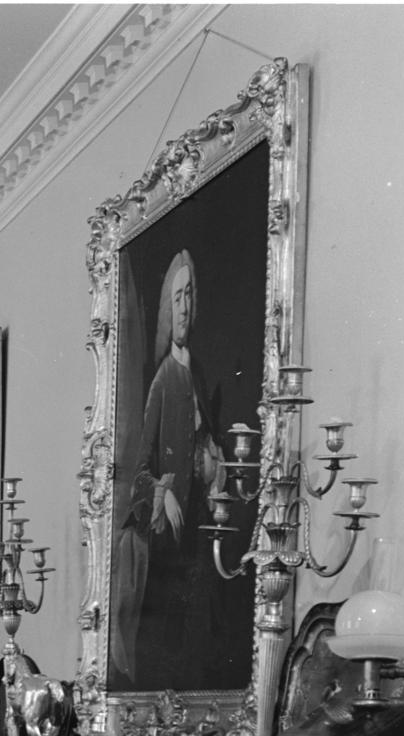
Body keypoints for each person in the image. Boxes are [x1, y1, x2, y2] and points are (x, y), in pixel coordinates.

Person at [115, 249, 242, 691]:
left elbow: (205, 440)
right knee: (168, 649)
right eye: (177, 297)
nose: (184, 306)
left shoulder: (199, 375)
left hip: (199, 539)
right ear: (168, 310)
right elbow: (139, 470)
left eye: (190, 295)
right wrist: (161, 493)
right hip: (168, 547)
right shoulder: (162, 380)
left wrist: (214, 463)